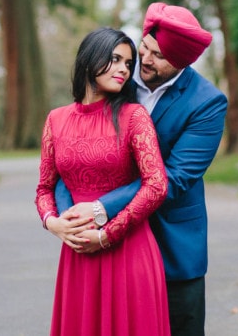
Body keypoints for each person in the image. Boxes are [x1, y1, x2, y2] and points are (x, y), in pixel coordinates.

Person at [56, 3, 228, 336]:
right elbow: (72, 154)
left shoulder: (207, 102)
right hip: (112, 247)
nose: (145, 60)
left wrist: (101, 209)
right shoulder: (116, 77)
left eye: (159, 56)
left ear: (182, 63)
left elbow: (174, 179)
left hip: (172, 244)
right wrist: (69, 219)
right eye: (144, 48)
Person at [35, 26, 170, 336]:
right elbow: (44, 187)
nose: (124, 69)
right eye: (115, 59)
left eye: (128, 63)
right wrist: (53, 223)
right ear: (89, 58)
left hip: (128, 249)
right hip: (78, 252)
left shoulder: (134, 116)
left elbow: (156, 184)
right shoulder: (56, 119)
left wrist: (107, 234)